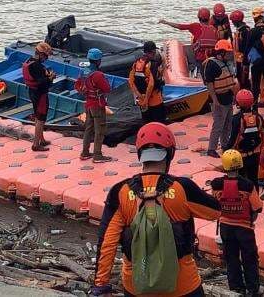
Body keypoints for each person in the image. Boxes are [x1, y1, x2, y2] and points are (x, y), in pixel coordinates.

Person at [92, 122, 221, 297]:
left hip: (136, 286)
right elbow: (215, 212)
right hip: (182, 285)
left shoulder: (120, 191)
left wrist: (101, 284)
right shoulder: (183, 188)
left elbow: (107, 242)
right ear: (170, 154)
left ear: (140, 154)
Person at [210, 149, 263, 296]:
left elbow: (214, 203)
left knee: (231, 257)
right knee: (250, 258)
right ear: (240, 165)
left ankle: (236, 288)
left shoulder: (216, 184)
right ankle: (253, 289)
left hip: (225, 227)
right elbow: (258, 207)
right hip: (245, 228)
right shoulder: (247, 185)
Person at [202, 39, 237, 158]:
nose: (229, 55)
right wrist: (215, 100)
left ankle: (225, 144)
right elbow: (210, 85)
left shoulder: (226, 64)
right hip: (219, 100)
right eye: (227, 52)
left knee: (228, 124)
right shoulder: (212, 65)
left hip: (228, 97)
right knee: (218, 125)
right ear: (221, 53)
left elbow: (230, 81)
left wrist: (234, 96)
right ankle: (211, 149)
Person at [159, 8, 218, 76]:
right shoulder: (214, 29)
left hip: (200, 59)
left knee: (188, 51)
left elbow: (180, 26)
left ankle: (192, 70)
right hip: (212, 57)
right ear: (209, 18)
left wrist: (166, 22)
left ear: (199, 17)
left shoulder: (196, 26)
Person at [224, 89, 264, 184]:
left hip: (240, 156)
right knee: (253, 180)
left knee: (241, 181)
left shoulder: (237, 119)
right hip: (255, 154)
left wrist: (225, 151)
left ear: (238, 102)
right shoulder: (258, 117)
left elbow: (233, 139)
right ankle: (255, 197)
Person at [78, 48, 112, 163]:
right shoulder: (98, 75)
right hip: (97, 104)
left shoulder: (83, 72)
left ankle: (85, 152)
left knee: (88, 128)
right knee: (100, 130)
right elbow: (107, 88)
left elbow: (77, 86)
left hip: (88, 103)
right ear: (98, 61)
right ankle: (97, 154)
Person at [22, 42, 55, 151]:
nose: (46, 58)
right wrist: (50, 77)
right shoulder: (37, 66)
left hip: (32, 92)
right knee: (41, 119)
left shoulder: (29, 61)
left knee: (37, 116)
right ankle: (36, 144)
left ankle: (42, 139)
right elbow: (42, 82)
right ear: (41, 54)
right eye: (46, 56)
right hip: (40, 95)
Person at [128, 41, 166, 123]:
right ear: (153, 51)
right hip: (155, 100)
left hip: (141, 99)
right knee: (159, 122)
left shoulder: (136, 63)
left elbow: (131, 82)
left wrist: (140, 96)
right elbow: (151, 84)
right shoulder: (153, 64)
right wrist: (146, 99)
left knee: (146, 122)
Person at [230, 9, 251, 90]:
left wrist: (245, 61)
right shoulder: (241, 30)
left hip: (243, 58)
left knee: (243, 77)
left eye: (233, 21)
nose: (232, 23)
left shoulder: (244, 31)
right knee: (239, 75)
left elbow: (246, 46)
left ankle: (245, 91)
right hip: (239, 57)